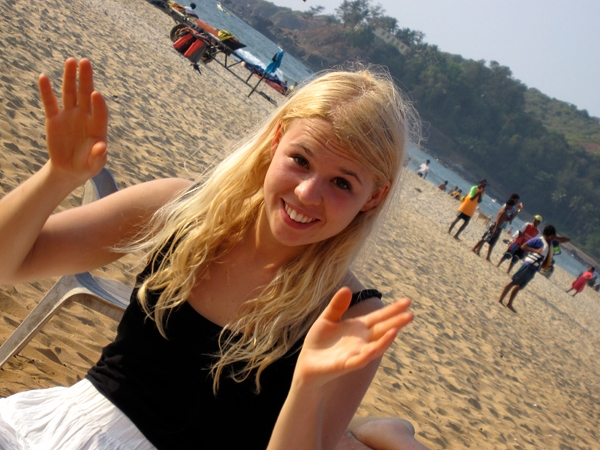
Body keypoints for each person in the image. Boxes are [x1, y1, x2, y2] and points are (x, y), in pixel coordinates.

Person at [0, 59, 429, 450]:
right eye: (300, 160)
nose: (306, 193)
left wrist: (306, 386)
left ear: (373, 197)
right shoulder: (181, 208)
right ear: (276, 140)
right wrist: (57, 177)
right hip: (64, 427)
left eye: (342, 183)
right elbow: (9, 263)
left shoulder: (353, 316)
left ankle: (376, 435)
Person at [497, 225, 570, 313]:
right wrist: (535, 250)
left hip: (535, 268)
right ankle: (500, 298)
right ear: (547, 235)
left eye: (553, 236)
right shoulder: (538, 240)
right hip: (528, 265)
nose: (552, 238)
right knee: (513, 281)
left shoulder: (552, 242)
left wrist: (556, 237)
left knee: (520, 286)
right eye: (551, 236)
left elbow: (567, 240)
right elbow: (523, 246)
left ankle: (509, 303)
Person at [471, 197, 517, 261]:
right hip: (495, 226)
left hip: (495, 225)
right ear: (508, 205)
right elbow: (498, 220)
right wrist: (495, 228)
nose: (511, 208)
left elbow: (508, 219)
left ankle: (475, 249)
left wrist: (517, 211)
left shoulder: (504, 210)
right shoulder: (503, 211)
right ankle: (474, 248)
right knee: (484, 238)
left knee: (485, 239)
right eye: (511, 206)